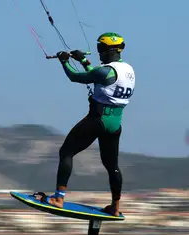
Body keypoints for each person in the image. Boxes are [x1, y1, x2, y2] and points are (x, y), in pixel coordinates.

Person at [33, 32, 135, 216]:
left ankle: (58, 198)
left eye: (101, 49)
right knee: (112, 166)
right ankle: (115, 207)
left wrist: (64, 61)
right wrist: (82, 59)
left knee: (66, 151)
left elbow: (76, 77)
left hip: (98, 119)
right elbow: (97, 75)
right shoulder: (128, 70)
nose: (99, 53)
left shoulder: (105, 71)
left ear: (109, 50)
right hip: (115, 124)